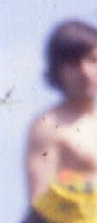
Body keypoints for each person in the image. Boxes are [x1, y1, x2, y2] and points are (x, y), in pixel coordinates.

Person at [25, 20, 97, 200]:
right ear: (57, 70)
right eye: (73, 64)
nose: (85, 72)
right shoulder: (48, 125)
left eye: (93, 60)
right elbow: (40, 200)